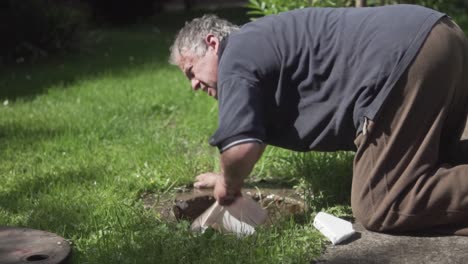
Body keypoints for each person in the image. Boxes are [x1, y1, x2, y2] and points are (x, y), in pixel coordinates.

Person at [169, 4, 468, 235]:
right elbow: (249, 133)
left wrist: (228, 187)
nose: (194, 85)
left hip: (407, 61)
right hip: (443, 38)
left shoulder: (235, 56)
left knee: (381, 202)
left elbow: (241, 147)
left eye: (191, 72)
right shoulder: (258, 43)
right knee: (440, 159)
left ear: (212, 43)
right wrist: (225, 175)